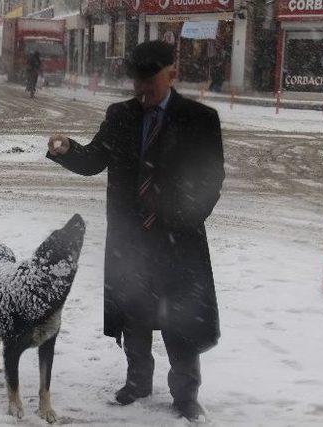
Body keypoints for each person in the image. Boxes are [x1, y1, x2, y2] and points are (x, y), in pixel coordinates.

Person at [46, 40, 225, 422]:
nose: (142, 89)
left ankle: (185, 395)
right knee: (135, 314)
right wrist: (67, 151)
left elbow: (211, 180)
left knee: (181, 319)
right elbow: (95, 160)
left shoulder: (199, 119)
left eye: (150, 80)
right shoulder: (120, 116)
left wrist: (178, 217)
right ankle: (138, 382)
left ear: (171, 73)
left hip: (178, 240)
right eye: (137, 81)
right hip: (131, 240)